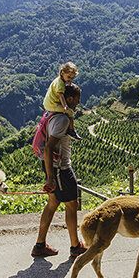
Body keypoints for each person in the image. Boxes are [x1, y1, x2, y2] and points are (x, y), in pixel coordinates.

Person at [32, 83, 88, 258]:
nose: (78, 104)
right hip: (60, 168)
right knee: (72, 204)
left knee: (53, 203)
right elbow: (49, 148)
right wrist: (51, 177)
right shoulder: (63, 119)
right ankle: (75, 246)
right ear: (69, 98)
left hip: (53, 167)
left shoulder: (51, 113)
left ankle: (40, 245)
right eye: (77, 100)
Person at [42, 62, 81, 140]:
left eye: (72, 78)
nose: (70, 80)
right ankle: (71, 130)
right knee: (70, 112)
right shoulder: (60, 83)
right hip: (52, 105)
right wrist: (65, 106)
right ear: (62, 72)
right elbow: (61, 95)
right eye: (69, 77)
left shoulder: (59, 80)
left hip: (48, 103)